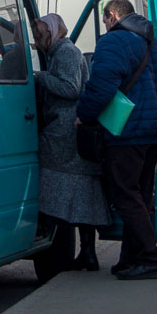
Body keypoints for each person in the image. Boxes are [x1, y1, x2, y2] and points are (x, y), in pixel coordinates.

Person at [76, 0, 157, 281]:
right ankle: (130, 258)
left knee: (124, 194)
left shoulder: (113, 42)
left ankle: (150, 257)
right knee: (141, 195)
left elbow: (101, 85)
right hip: (156, 130)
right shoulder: (155, 45)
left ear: (111, 16)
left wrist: (83, 115)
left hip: (127, 131)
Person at [34, 13, 111, 271]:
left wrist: (40, 77)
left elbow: (70, 88)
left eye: (40, 33)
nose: (37, 39)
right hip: (69, 133)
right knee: (81, 195)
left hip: (66, 133)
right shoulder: (62, 51)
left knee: (60, 188)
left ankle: (67, 250)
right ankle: (87, 252)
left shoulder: (65, 52)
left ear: (52, 32)